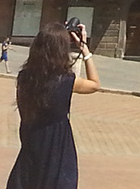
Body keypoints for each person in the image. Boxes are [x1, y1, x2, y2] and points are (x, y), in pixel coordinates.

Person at [7, 20, 101, 189]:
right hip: (57, 150)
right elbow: (95, 84)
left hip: (31, 144)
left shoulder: (24, 78)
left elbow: (24, 111)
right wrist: (84, 49)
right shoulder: (66, 80)